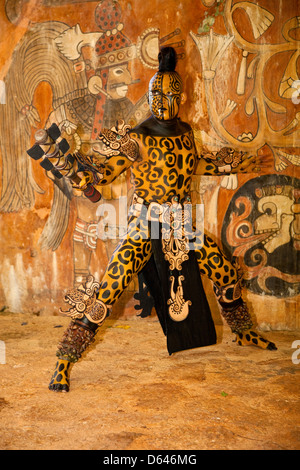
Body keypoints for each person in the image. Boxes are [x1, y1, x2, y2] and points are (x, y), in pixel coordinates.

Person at [47, 47, 276, 392]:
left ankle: (243, 330)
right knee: (109, 288)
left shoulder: (185, 132)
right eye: (155, 92)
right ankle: (64, 360)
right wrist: (84, 175)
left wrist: (240, 163)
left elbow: (198, 164)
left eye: (169, 93)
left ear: (180, 97)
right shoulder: (138, 137)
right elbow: (108, 173)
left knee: (224, 271)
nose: (161, 99)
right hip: (144, 228)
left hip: (182, 227)